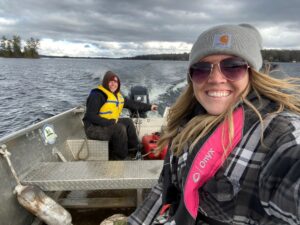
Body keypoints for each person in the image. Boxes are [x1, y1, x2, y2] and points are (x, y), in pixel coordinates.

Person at [128, 24, 300, 224]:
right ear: (192, 78)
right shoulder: (188, 124)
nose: (216, 79)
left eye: (233, 67)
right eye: (202, 69)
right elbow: (162, 191)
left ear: (252, 74)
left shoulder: (276, 134)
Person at [83, 71, 157, 160]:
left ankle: (134, 149)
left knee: (128, 122)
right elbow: (90, 116)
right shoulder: (97, 95)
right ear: (105, 82)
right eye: (110, 82)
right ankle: (120, 157)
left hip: (107, 124)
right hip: (93, 128)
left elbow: (133, 104)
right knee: (119, 128)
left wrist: (149, 107)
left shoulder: (118, 96)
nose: (113, 84)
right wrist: (109, 122)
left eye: (115, 82)